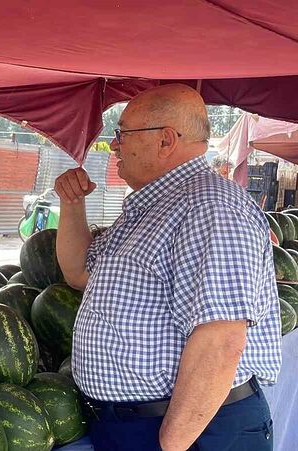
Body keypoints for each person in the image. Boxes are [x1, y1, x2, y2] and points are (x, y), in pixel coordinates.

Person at [55, 84, 280, 451]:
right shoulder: (152, 207)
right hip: (137, 426)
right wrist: (72, 202)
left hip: (189, 432)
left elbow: (221, 340)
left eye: (122, 133)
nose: (114, 145)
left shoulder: (211, 209)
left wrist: (171, 443)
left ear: (165, 140)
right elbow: (79, 273)